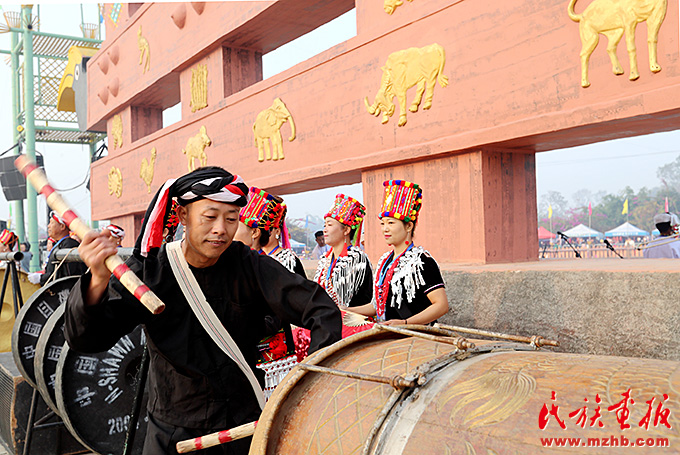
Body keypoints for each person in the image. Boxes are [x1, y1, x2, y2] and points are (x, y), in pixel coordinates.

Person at [64, 167, 341, 455]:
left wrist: (310, 381)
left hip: (241, 428)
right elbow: (87, 339)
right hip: (173, 432)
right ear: (183, 215)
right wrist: (97, 279)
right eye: (209, 217)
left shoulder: (249, 265)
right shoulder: (152, 272)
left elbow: (320, 309)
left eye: (231, 219)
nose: (221, 229)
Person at [353, 180, 449, 325]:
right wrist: (345, 309)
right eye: (382, 223)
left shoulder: (421, 261)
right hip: (389, 334)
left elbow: (441, 305)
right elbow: (377, 306)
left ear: (409, 226)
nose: (385, 229)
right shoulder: (384, 261)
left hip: (416, 337)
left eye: (391, 223)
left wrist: (406, 323)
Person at [314, 194, 373, 308]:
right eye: (324, 225)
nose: (325, 230)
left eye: (330, 225)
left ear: (346, 230)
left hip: (350, 321)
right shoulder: (325, 259)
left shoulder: (357, 259)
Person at [234, 187, 305, 277]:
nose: (231, 232)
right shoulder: (241, 261)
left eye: (236, 227)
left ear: (255, 232)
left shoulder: (271, 266)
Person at [36, 212, 86, 286]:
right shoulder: (61, 244)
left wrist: (41, 278)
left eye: (51, 223)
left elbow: (67, 275)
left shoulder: (69, 244)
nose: (48, 226)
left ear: (62, 226)